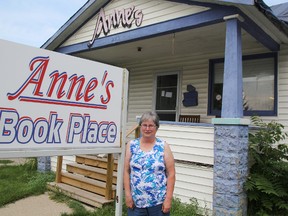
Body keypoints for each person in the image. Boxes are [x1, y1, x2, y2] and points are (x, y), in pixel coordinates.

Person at [124, 111, 175, 216]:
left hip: (158, 204)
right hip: (136, 203)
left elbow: (171, 174)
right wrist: (128, 195)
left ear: (156, 127)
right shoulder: (131, 145)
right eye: (145, 125)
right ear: (140, 126)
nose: (147, 129)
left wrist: (168, 199)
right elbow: (126, 171)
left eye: (151, 125)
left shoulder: (163, 146)